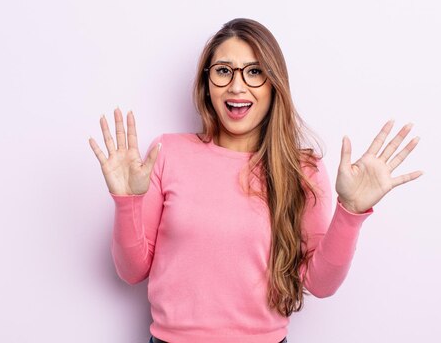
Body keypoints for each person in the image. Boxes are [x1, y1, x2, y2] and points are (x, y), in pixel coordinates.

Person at [88, 18, 422, 343]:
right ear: (207, 83)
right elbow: (131, 271)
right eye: (223, 71)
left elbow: (321, 284)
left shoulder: (301, 168)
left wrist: (350, 212)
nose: (236, 86)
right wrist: (126, 200)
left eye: (254, 72)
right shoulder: (168, 153)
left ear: (274, 83)